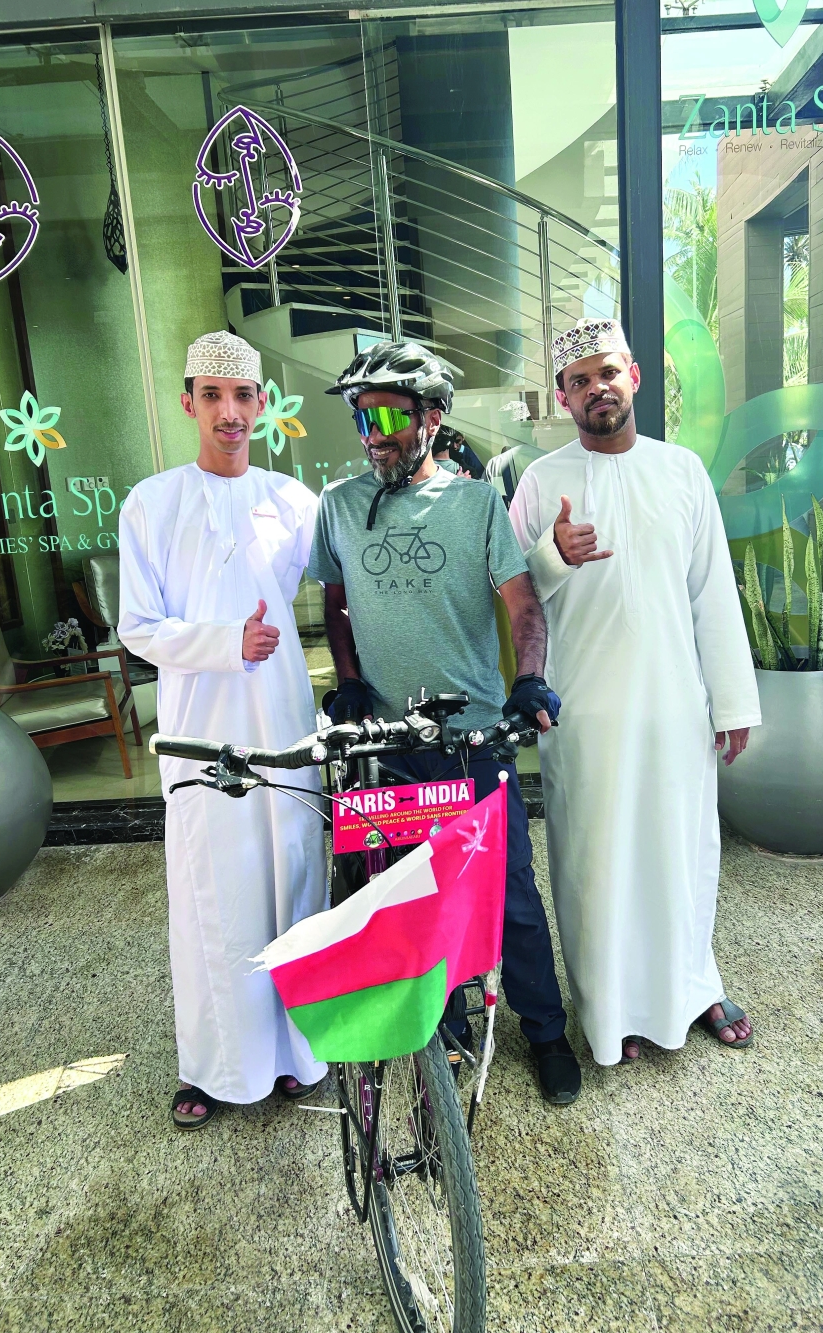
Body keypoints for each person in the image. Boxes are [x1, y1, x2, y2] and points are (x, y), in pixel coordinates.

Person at [307, 339, 581, 1106]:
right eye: (362, 417)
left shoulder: (474, 504)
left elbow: (522, 603)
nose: (373, 433)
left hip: (472, 737)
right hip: (386, 747)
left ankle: (545, 1029)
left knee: (511, 895)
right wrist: (350, 683)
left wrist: (529, 680)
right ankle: (446, 1029)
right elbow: (335, 600)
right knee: (405, 892)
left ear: (432, 416)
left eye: (389, 414)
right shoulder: (337, 506)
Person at [508, 317, 761, 1066]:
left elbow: (713, 593)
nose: (598, 389)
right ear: (563, 396)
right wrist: (553, 555)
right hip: (584, 715)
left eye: (608, 373)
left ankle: (693, 985)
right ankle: (608, 1006)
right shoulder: (541, 481)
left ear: (635, 376)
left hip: (675, 706)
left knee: (682, 852)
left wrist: (733, 701)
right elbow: (516, 594)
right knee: (595, 864)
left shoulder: (681, 471)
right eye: (580, 381)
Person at [118, 330, 328, 1130]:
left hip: (283, 725)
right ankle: (214, 1066)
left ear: (263, 406)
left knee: (292, 886)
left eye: (243, 397)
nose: (229, 412)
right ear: (188, 403)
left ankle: (297, 1056)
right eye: (213, 395)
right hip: (202, 732)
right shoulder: (153, 502)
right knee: (215, 898)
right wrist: (223, 645)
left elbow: (350, 573)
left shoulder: (294, 501)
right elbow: (138, 625)